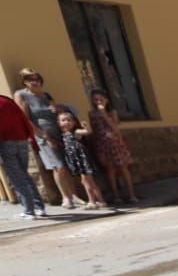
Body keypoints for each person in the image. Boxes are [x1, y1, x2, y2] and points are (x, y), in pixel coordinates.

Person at [13, 69, 79, 208]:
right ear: (25, 81)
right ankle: (65, 198)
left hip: (58, 132)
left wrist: (57, 110)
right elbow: (24, 118)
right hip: (42, 136)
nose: (34, 81)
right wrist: (44, 136)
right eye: (30, 79)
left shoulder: (46, 95)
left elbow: (56, 112)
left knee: (65, 165)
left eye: (36, 79)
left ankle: (74, 196)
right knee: (58, 166)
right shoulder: (21, 94)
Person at [0, 92, 46, 219]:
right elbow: (23, 118)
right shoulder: (7, 100)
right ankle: (39, 208)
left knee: (17, 177)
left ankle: (29, 210)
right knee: (24, 174)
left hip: (6, 143)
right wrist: (30, 138)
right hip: (22, 140)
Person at [87, 88, 137, 204]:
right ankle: (116, 196)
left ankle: (131, 194)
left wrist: (104, 114)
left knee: (123, 167)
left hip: (115, 142)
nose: (98, 102)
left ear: (106, 100)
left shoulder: (112, 112)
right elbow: (94, 130)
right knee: (110, 170)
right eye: (96, 100)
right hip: (102, 144)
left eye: (101, 99)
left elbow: (115, 128)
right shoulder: (92, 114)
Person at [55, 106, 108, 209]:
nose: (66, 122)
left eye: (69, 120)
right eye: (63, 120)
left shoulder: (75, 132)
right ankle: (99, 201)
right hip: (77, 162)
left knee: (88, 181)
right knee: (86, 181)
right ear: (59, 123)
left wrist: (86, 127)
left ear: (74, 122)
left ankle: (95, 201)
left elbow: (87, 132)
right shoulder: (63, 135)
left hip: (83, 161)